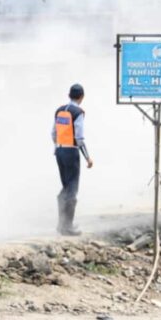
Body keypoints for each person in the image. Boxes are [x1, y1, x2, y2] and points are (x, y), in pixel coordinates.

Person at [51, 84, 93, 236]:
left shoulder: (60, 110)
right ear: (82, 97)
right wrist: (88, 158)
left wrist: (57, 147)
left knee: (66, 186)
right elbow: (79, 138)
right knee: (72, 189)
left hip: (60, 151)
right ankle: (67, 227)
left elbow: (53, 133)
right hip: (71, 152)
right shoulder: (78, 113)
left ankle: (61, 224)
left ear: (69, 95)